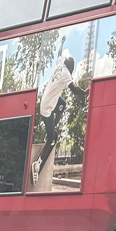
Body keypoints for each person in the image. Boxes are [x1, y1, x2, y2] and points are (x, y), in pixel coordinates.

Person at [31, 45, 87, 188]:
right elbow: (75, 90)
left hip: (49, 101)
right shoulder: (66, 73)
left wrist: (61, 43)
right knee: (52, 137)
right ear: (71, 68)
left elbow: (59, 53)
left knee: (62, 103)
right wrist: (86, 92)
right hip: (47, 109)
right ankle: (37, 164)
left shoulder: (60, 64)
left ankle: (52, 126)